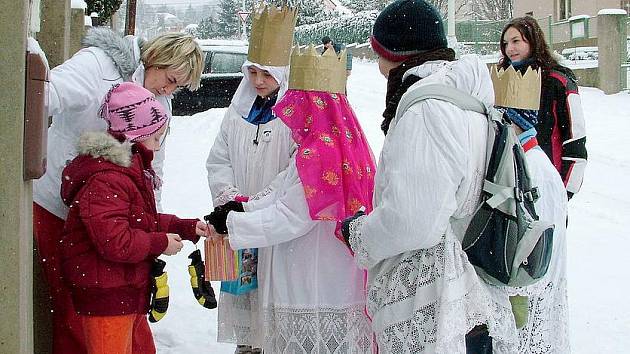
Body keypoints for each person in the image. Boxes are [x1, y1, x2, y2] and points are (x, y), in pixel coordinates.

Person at [340, 0, 518, 352]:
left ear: (394, 54)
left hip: (437, 303)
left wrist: (359, 233)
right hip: (474, 294)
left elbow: (412, 222)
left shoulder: (426, 110)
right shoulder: (467, 101)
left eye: (379, 54)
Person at [32, 28, 204, 354]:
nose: (168, 89)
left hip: (113, 212)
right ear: (157, 57)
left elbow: (153, 169)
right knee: (73, 305)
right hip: (58, 201)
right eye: (169, 77)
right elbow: (45, 94)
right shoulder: (100, 66)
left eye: (177, 87)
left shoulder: (159, 105)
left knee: (123, 303)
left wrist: (151, 225)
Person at [205, 46, 376, 353]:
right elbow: (282, 189)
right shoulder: (321, 142)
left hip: (313, 279)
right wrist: (242, 207)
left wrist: (233, 223)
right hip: (316, 273)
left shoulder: (322, 152)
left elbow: (291, 216)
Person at [58, 82, 209, 354]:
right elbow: (115, 241)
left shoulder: (127, 166)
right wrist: (159, 243)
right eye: (155, 138)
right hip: (106, 295)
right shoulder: (106, 178)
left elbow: (139, 220)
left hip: (124, 288)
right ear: (134, 135)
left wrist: (182, 227)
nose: (158, 146)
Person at [205, 5, 297, 353]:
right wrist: (230, 198)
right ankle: (246, 346)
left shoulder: (292, 116)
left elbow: (294, 169)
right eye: (253, 72)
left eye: (267, 74)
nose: (258, 81)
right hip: (238, 217)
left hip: (275, 219)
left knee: (271, 297)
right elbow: (219, 157)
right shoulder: (238, 112)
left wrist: (258, 204)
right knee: (243, 297)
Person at [499, 107, 570, 352]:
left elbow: (540, 237)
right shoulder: (524, 159)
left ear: (515, 125)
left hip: (532, 282)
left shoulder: (536, 168)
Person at [499, 16, 587, 200]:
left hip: (547, 182)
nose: (510, 49)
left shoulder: (558, 82)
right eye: (506, 43)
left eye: (516, 41)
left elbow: (575, 141)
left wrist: (563, 190)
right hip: (508, 185)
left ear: (533, 40)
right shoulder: (503, 81)